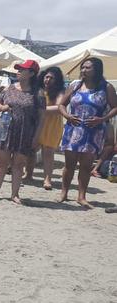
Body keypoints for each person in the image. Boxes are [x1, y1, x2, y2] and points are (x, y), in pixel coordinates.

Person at [58, 57, 117, 208]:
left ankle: (81, 196)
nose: (83, 70)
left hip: (94, 131)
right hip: (73, 129)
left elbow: (115, 107)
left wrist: (102, 119)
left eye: (87, 68)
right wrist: (67, 116)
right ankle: (64, 193)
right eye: (82, 67)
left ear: (97, 70)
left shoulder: (106, 87)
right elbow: (61, 105)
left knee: (85, 165)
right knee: (69, 164)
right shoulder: (75, 85)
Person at [0, 59, 45, 205]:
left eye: (22, 69)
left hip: (25, 132)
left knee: (18, 164)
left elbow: (41, 118)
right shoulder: (9, 88)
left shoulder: (38, 93)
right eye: (18, 69)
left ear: (32, 73)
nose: (18, 71)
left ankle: (15, 194)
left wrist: (37, 137)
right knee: (2, 162)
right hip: (5, 129)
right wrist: (2, 108)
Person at [24, 67, 66, 189]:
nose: (48, 80)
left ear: (57, 80)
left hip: (52, 124)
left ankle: (47, 179)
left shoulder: (60, 92)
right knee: (31, 150)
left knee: (48, 152)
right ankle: (28, 174)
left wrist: (41, 110)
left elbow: (59, 107)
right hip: (37, 123)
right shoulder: (38, 90)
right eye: (46, 77)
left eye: (51, 78)